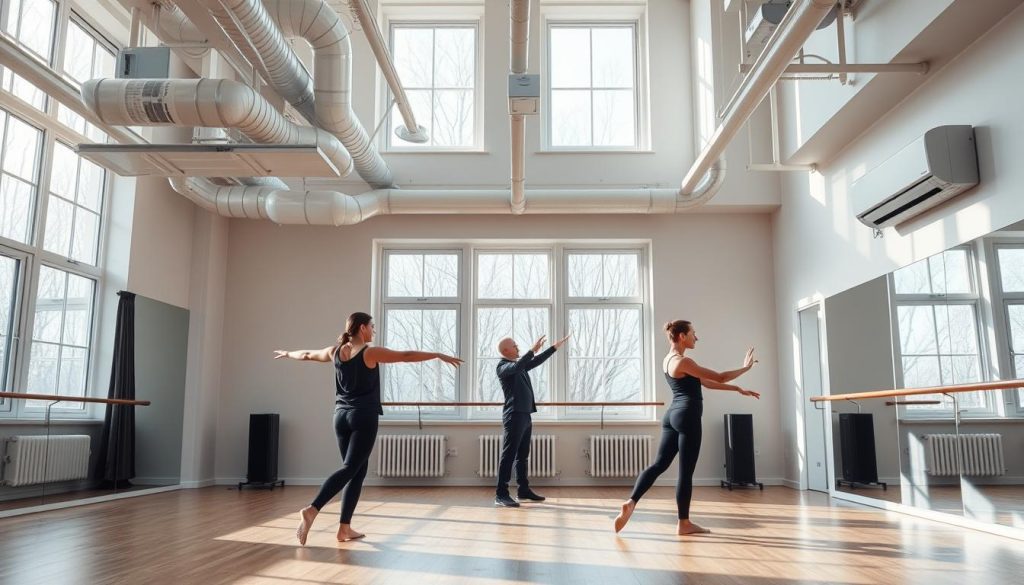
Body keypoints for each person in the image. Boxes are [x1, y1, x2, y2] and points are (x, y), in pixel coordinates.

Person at [274, 312, 462, 545]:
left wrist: (287, 354)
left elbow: (306, 354)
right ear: (362, 328)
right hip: (363, 416)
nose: (374, 330)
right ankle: (313, 509)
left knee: (356, 472)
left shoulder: (335, 351)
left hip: (340, 416)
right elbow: (405, 356)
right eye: (372, 326)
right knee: (350, 468)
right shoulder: (369, 352)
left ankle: (344, 529)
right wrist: (436, 354)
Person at [614, 320, 759, 535]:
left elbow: (707, 382)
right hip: (688, 415)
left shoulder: (669, 360)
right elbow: (718, 376)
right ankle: (684, 523)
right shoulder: (684, 361)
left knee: (658, 465)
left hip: (672, 415)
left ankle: (632, 501)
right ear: (682, 336)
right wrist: (745, 369)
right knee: (685, 472)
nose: (696, 337)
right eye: (693, 333)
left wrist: (736, 388)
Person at [494, 333, 570, 507]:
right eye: (514, 346)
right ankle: (501, 494)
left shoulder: (517, 366)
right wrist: (532, 350)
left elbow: (535, 362)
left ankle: (523, 490)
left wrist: (554, 347)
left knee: (522, 455)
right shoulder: (503, 367)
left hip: (525, 414)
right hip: (514, 415)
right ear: (506, 350)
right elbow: (521, 364)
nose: (518, 347)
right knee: (508, 455)